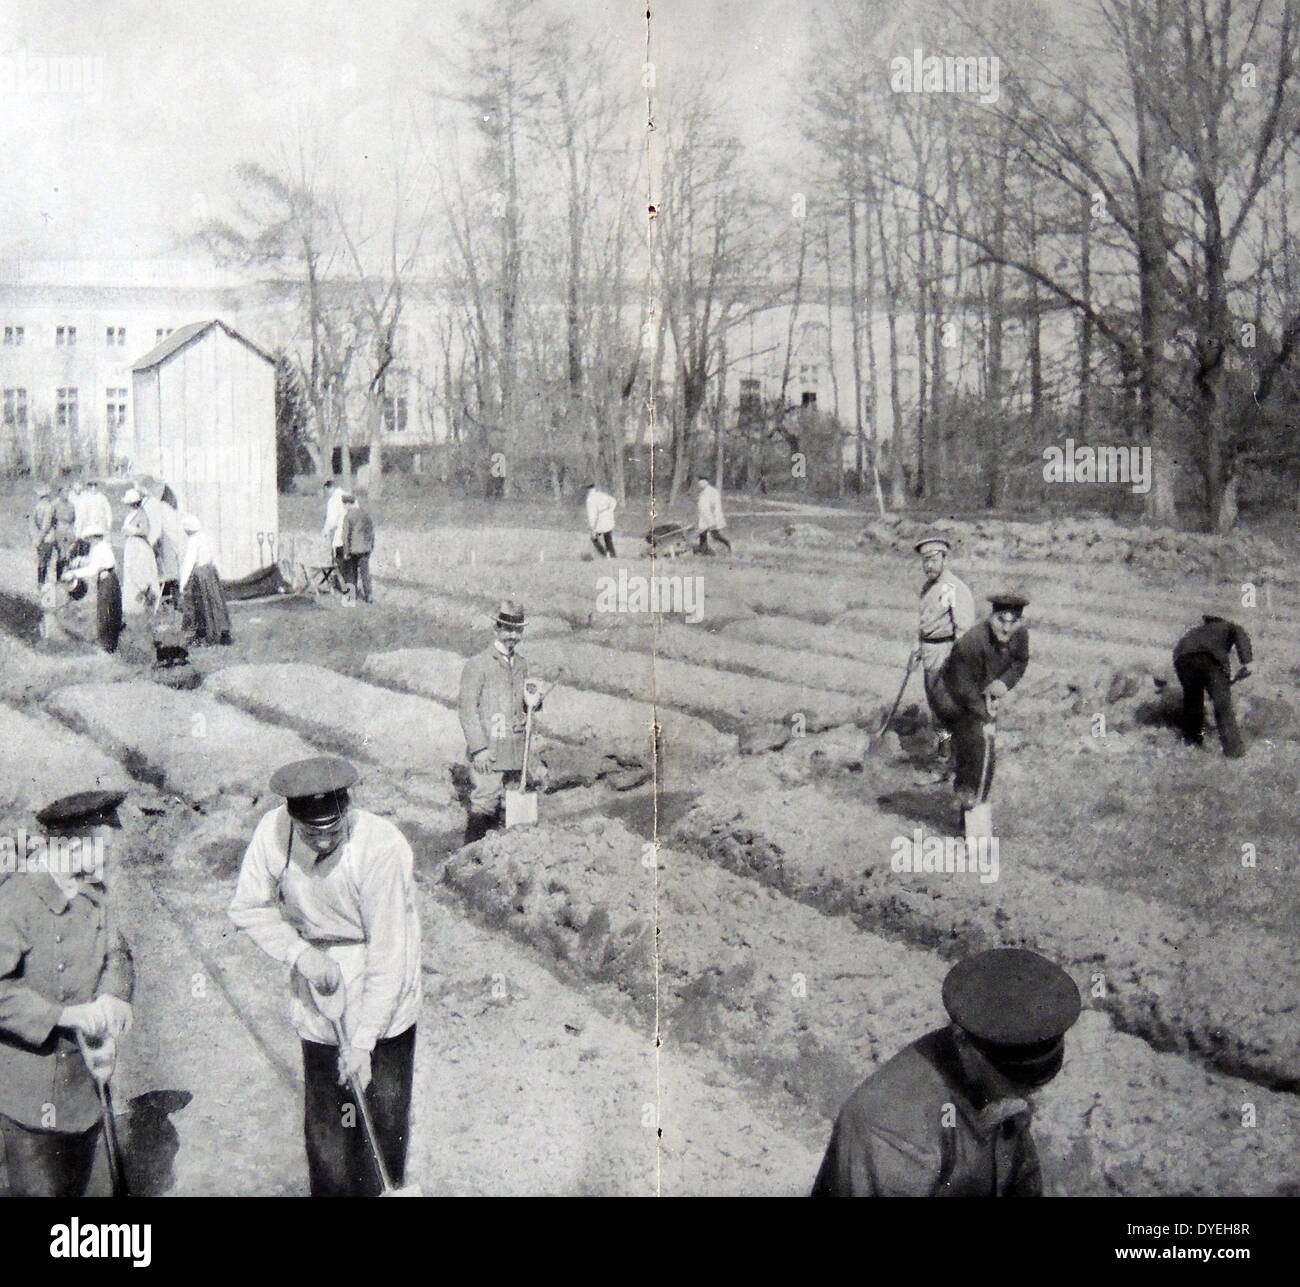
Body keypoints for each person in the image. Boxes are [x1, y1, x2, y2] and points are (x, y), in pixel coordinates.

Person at [228, 757, 422, 1197]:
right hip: (320, 987)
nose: (322, 840)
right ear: (293, 818)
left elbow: (390, 953)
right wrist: (299, 953)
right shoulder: (273, 832)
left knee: (380, 1122)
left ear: (347, 811)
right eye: (312, 832)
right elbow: (246, 907)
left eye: (333, 831)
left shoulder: (381, 848)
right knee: (330, 1127)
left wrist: (364, 1040)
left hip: (382, 989)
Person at [812, 948, 1081, 1197]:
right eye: (1009, 1083)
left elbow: (1021, 1180)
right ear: (962, 1041)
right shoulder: (894, 1128)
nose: (1022, 1096)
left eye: (1029, 1088)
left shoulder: (995, 1085)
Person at [0, 790, 135, 1197]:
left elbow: (119, 953)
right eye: (104, 848)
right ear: (76, 847)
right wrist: (62, 1016)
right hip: (29, 1096)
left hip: (86, 1083)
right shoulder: (15, 902)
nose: (109, 858)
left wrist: (114, 996)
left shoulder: (94, 894)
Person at [928, 593, 1030, 820]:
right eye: (1001, 621)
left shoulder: (1020, 635)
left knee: (984, 752)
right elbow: (963, 687)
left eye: (1012, 622)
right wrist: (985, 715)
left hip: (978, 697)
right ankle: (964, 799)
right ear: (992, 618)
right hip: (950, 697)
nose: (1006, 628)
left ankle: (972, 805)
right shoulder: (971, 643)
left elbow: (1020, 662)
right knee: (972, 746)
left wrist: (1004, 683)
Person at [457, 601, 546, 845]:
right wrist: (479, 749)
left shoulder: (522, 665)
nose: (512, 636)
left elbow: (524, 703)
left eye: (517, 631)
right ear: (497, 628)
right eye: (508, 630)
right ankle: (468, 860)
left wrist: (534, 703)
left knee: (512, 804)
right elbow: (467, 709)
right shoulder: (478, 664)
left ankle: (503, 859)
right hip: (490, 748)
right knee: (485, 801)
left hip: (515, 747)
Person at [913, 533, 976, 767]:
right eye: (925, 560)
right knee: (936, 712)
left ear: (944, 559)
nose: (928, 565)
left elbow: (963, 628)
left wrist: (955, 663)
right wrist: (917, 649)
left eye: (933, 559)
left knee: (949, 710)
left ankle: (960, 759)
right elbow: (924, 624)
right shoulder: (928, 587)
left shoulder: (950, 587)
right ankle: (943, 753)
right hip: (930, 655)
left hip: (946, 655)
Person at [1173, 613, 1253, 758]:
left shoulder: (1196, 631)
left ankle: (1192, 744)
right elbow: (1239, 633)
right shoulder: (1229, 626)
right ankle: (1234, 752)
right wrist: (1247, 662)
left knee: (1193, 701)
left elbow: (1180, 650)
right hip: (1209, 660)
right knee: (1223, 705)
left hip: (1182, 660)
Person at [61, 523, 124, 653]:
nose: (88, 541)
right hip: (108, 580)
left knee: (106, 612)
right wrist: (81, 560)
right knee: (107, 611)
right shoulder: (101, 547)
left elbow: (92, 570)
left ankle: (107, 646)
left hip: (107, 581)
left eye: (89, 538)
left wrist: (73, 573)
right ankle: (108, 643)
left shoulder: (99, 549)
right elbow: (93, 561)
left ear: (93, 537)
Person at [179, 514, 232, 645]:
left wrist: (183, 583)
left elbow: (189, 563)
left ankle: (205, 634)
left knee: (201, 605)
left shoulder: (192, 541)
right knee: (215, 602)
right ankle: (223, 631)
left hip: (200, 575)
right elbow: (214, 556)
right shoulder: (206, 537)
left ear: (188, 530)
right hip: (210, 572)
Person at [142, 486, 186, 607]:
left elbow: (156, 529)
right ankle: (173, 598)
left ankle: (172, 599)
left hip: (168, 542)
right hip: (171, 542)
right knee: (171, 572)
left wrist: (150, 543)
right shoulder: (164, 506)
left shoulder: (157, 506)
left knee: (167, 572)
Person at [120, 488, 160, 615]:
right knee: (130, 571)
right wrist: (126, 531)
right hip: (131, 545)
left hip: (140, 547)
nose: (132, 505)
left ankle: (144, 604)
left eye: (134, 503)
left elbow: (145, 531)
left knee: (139, 572)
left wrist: (133, 531)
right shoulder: (131, 514)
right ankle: (132, 606)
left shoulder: (142, 514)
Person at [339, 492, 375, 604]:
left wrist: (345, 551)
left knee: (351, 572)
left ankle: (351, 596)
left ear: (348, 504)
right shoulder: (365, 514)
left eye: (344, 505)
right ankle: (369, 595)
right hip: (365, 549)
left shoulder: (348, 516)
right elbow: (371, 533)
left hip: (353, 550)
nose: (344, 507)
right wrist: (370, 547)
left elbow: (345, 536)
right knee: (365, 573)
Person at [29, 484, 58, 589]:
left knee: (42, 560)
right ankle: (42, 584)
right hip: (46, 538)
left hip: (41, 537)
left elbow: (36, 523)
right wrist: (39, 538)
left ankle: (41, 583)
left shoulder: (38, 506)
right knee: (45, 560)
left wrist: (36, 538)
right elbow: (46, 526)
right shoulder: (48, 506)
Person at [695, 476, 732, 555]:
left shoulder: (710, 492)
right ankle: (703, 549)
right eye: (699, 483)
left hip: (711, 516)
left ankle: (728, 544)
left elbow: (712, 506)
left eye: (701, 483)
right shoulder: (704, 492)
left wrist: (711, 520)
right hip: (705, 516)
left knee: (714, 534)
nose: (699, 485)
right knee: (703, 534)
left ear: (705, 482)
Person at [322, 479, 347, 591]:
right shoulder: (348, 496)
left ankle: (342, 587)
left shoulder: (333, 501)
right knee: (349, 563)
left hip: (340, 536)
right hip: (351, 535)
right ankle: (351, 588)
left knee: (339, 561)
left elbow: (332, 521)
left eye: (326, 491)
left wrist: (325, 531)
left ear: (329, 488)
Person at [584, 482, 617, 558]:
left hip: (599, 520)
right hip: (608, 517)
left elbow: (591, 515)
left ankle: (604, 553)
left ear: (588, 490)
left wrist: (593, 528)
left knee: (593, 537)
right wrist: (610, 510)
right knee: (608, 537)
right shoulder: (601, 494)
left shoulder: (589, 500)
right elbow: (613, 501)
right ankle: (612, 554)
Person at [79, 480, 113, 548]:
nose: (93, 488)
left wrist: (108, 526)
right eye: (91, 486)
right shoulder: (84, 498)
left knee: (102, 546)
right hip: (89, 526)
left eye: (95, 485)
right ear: (88, 487)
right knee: (90, 546)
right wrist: (80, 529)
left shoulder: (102, 498)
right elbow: (81, 515)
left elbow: (109, 513)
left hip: (101, 526)